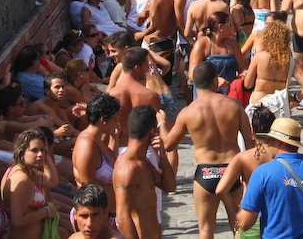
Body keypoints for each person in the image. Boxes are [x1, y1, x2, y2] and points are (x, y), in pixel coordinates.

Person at [165, 60, 253, 239]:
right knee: (238, 227)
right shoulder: (234, 106)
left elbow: (168, 145)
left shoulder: (188, 112)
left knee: (205, 230)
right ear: (215, 80)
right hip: (232, 170)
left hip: (206, 171)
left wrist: (161, 124)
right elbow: (249, 143)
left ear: (195, 83)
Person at [237, 117, 303, 239]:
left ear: (278, 142)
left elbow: (245, 223)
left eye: (269, 140)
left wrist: (243, 202)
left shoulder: (262, 173)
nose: (267, 144)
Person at [113, 105, 176, 239]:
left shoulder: (144, 162)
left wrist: (162, 156)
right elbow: (122, 217)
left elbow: (170, 186)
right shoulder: (128, 168)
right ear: (152, 132)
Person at [0, 127, 64, 239]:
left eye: (42, 150)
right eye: (34, 150)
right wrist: (46, 212)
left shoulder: (28, 171)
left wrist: (45, 155)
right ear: (22, 152)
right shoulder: (22, 180)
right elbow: (18, 220)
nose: (40, 154)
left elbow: (52, 181)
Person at [71, 93, 120, 217]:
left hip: (110, 211)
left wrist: (114, 138)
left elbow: (112, 163)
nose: (117, 122)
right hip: (98, 216)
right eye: (115, 118)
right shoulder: (87, 144)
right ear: (103, 120)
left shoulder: (97, 139)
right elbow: (87, 184)